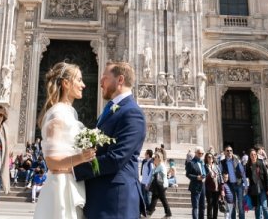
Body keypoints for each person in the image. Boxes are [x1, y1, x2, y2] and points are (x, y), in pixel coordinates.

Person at [73, 61, 147, 219]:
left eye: (105, 78)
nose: (100, 82)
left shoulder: (132, 113)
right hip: (101, 197)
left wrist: (74, 168)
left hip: (116, 200)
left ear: (120, 80)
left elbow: (117, 158)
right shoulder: (112, 109)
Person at [29, 62, 96, 218]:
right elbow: (52, 162)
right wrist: (82, 157)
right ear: (66, 83)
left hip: (70, 183)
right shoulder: (58, 114)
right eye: (79, 80)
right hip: (61, 188)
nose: (83, 85)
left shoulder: (69, 112)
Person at [247, 146, 268, 219]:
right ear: (249, 156)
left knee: (264, 207)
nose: (253, 156)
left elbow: (266, 177)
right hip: (254, 190)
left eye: (255, 154)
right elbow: (247, 178)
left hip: (262, 189)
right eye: (252, 155)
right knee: (257, 208)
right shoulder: (248, 166)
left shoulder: (261, 163)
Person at [221, 146, 246, 219]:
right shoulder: (222, 162)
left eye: (230, 150)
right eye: (227, 150)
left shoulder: (237, 160)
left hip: (239, 184)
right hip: (229, 185)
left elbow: (243, 172)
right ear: (225, 152)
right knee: (232, 205)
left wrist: (246, 185)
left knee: (240, 205)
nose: (229, 152)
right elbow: (221, 174)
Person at [147, 152, 172, 218]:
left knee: (161, 199)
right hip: (156, 185)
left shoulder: (162, 165)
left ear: (159, 158)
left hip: (161, 185)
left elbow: (164, 175)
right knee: (155, 198)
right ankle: (150, 212)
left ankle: (150, 212)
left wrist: (156, 173)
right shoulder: (157, 166)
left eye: (155, 157)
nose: (154, 158)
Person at [187, 147, 208, 219]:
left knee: (202, 206)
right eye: (199, 153)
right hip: (195, 186)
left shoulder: (202, 162)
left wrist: (205, 176)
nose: (201, 155)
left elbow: (204, 172)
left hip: (203, 186)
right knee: (195, 206)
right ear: (195, 153)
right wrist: (196, 177)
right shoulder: (191, 163)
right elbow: (188, 174)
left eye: (202, 153)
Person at [205, 152, 222, 219]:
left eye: (212, 157)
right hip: (209, 188)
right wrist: (209, 175)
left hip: (216, 188)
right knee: (210, 205)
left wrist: (222, 189)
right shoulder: (205, 166)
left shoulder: (216, 166)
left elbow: (220, 177)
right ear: (206, 158)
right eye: (209, 157)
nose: (210, 158)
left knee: (216, 205)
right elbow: (204, 176)